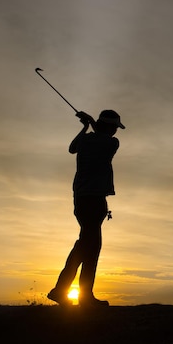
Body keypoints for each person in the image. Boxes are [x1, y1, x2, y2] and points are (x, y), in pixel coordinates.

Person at [47, 109, 125, 308]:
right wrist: (89, 123)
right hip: (93, 200)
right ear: (109, 127)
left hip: (82, 200)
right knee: (88, 247)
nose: (116, 131)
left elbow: (73, 148)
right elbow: (74, 148)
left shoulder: (88, 140)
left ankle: (75, 294)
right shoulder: (110, 142)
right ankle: (69, 292)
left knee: (87, 246)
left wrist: (86, 126)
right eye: (115, 127)